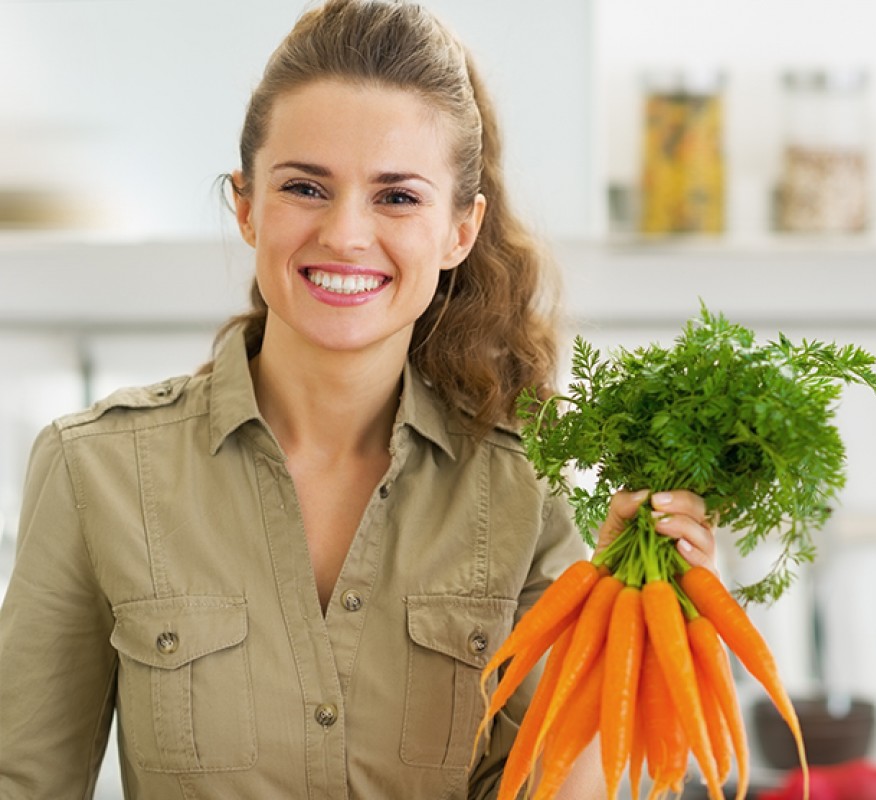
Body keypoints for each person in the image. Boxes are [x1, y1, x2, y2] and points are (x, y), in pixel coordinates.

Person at [0, 1, 717, 797]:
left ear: (460, 231)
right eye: (306, 187)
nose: (345, 234)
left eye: (397, 197)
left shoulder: (522, 489)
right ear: (246, 205)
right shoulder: (94, 470)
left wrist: (628, 626)